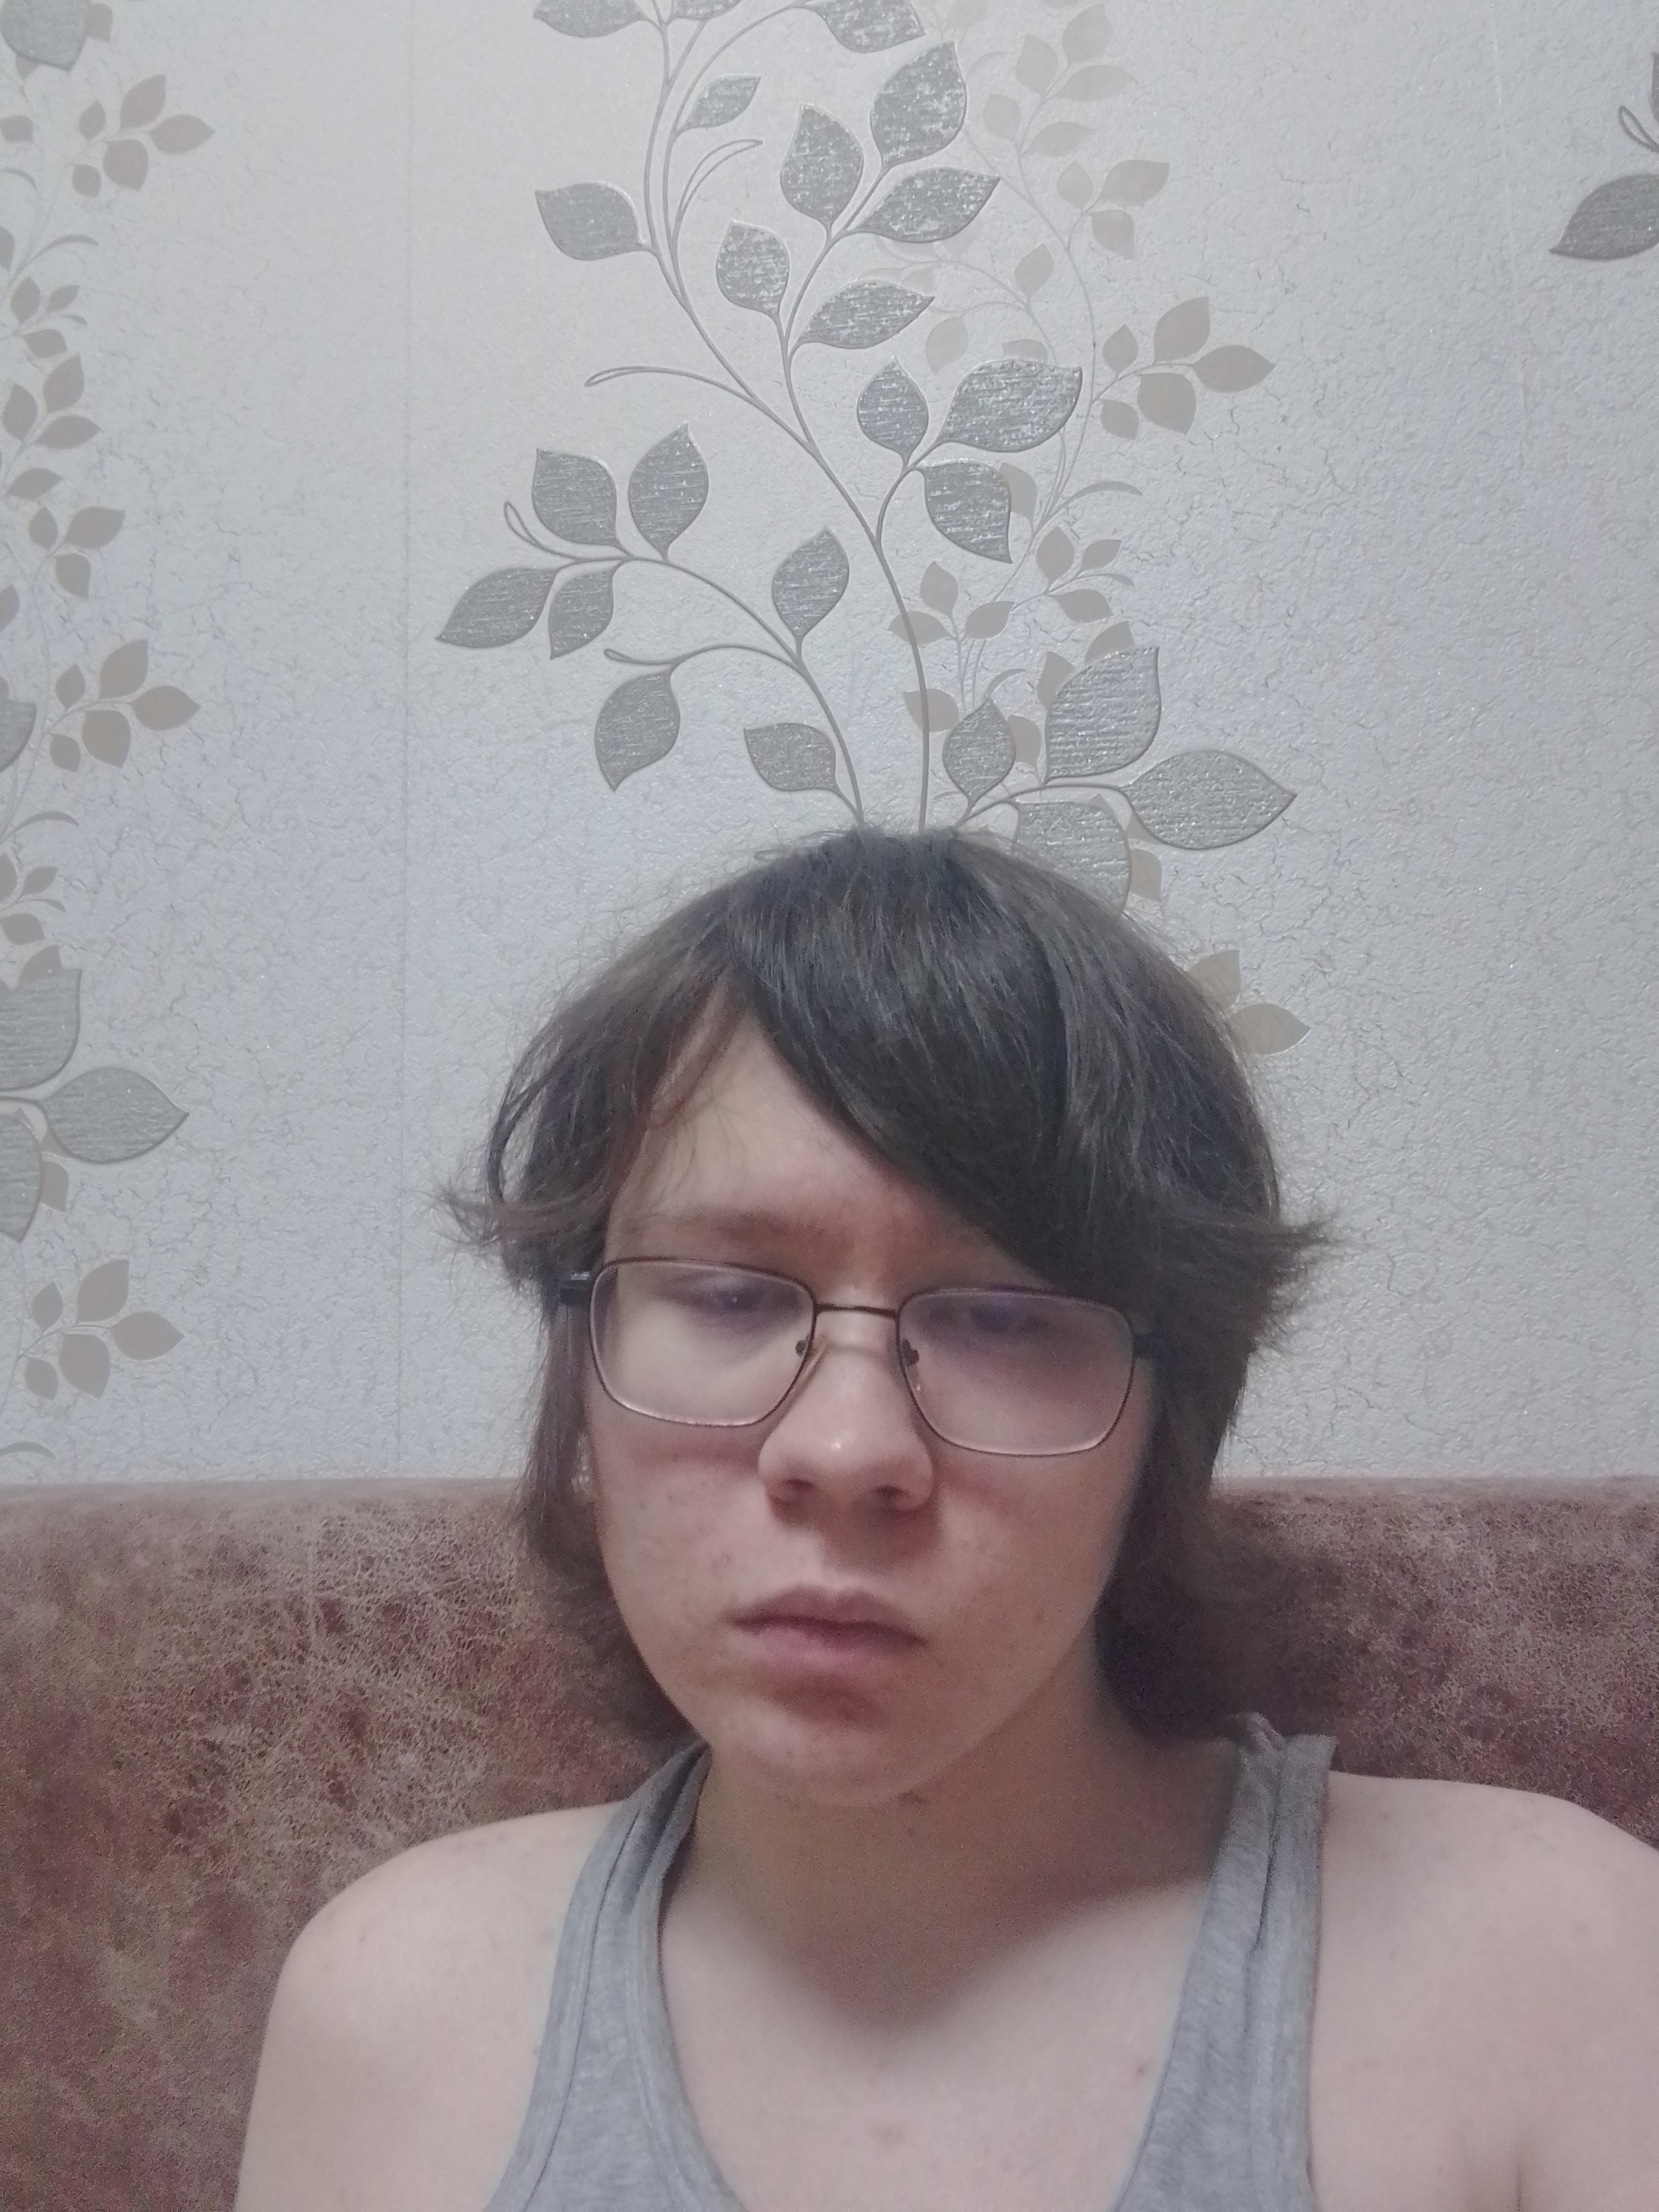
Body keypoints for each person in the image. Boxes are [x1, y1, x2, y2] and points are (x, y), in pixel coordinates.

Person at [234, 827, 1659, 2212]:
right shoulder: (396, 2022)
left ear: (1168, 1419)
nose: (847, 1449)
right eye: (727, 1295)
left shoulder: (1555, 1977)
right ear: (579, 1368)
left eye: (1004, 1318)